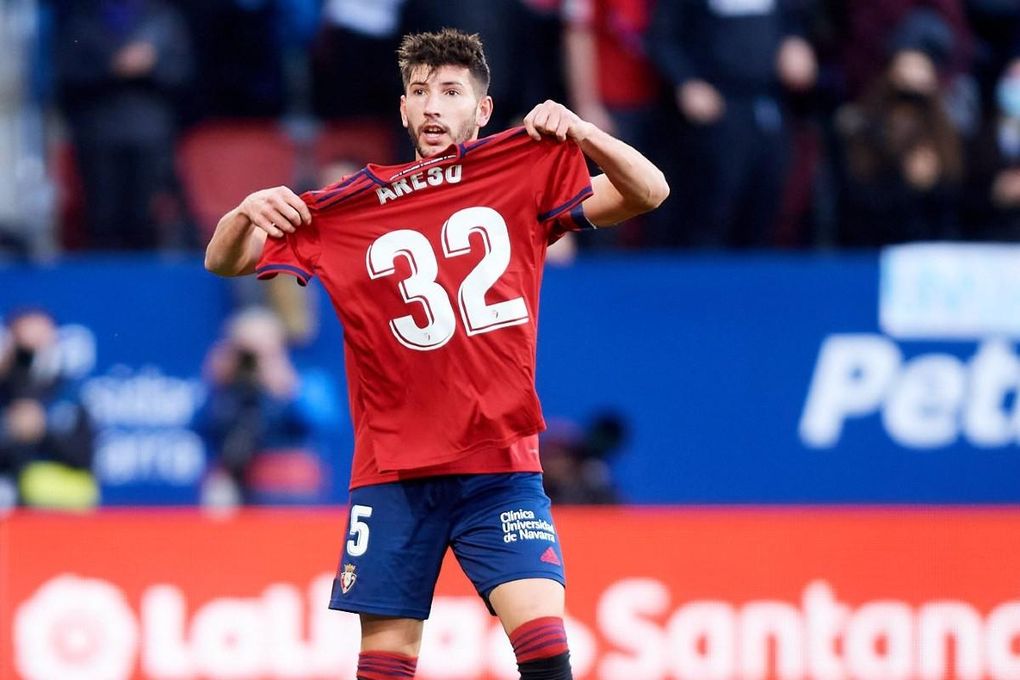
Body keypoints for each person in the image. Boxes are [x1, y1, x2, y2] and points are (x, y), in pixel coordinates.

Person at [205, 28, 667, 680]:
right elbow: (224, 261)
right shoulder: (348, 208)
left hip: (499, 464)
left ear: (482, 109)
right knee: (386, 666)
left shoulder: (520, 177)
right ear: (402, 109)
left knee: (544, 649)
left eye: (450, 92)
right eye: (419, 91)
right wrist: (243, 212)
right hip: (392, 473)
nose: (432, 106)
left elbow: (649, 191)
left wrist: (585, 133)